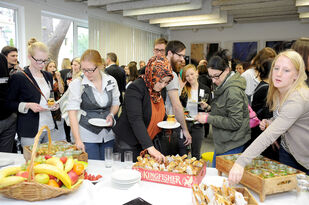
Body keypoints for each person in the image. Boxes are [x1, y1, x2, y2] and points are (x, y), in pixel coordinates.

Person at [229, 50, 309, 185]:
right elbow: (284, 118)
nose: (278, 74)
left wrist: (241, 162)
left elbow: (269, 136)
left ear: (296, 75)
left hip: (304, 156)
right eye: (276, 68)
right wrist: (271, 122)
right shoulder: (279, 90)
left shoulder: (298, 98)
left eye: (286, 70)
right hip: (287, 150)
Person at [113, 56, 173, 162]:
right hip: (129, 143)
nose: (163, 85)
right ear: (151, 75)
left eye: (166, 82)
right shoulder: (135, 88)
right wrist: (150, 148)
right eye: (161, 81)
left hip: (147, 140)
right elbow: (136, 119)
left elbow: (157, 111)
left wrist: (169, 121)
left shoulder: (159, 89)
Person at [195, 54, 250, 167]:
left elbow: (235, 122)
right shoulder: (223, 84)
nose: (214, 81)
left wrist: (208, 118)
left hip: (232, 143)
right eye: (211, 77)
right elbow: (225, 110)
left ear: (227, 70)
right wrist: (209, 108)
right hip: (224, 141)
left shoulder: (232, 91)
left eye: (216, 76)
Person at [67, 49, 120, 160]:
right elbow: (72, 113)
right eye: (84, 70)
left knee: (108, 167)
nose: (87, 74)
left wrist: (111, 114)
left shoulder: (111, 81)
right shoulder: (78, 84)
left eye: (91, 70)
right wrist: (77, 140)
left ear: (100, 66)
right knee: (92, 168)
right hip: (86, 134)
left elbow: (115, 103)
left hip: (108, 134)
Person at [7, 38, 60, 148]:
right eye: (39, 60)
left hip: (49, 126)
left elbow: (48, 97)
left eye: (45, 60)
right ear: (30, 57)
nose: (42, 64)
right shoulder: (19, 77)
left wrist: (54, 104)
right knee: (32, 161)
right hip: (29, 129)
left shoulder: (48, 76)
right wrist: (28, 105)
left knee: (48, 161)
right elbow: (8, 103)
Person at [163, 40, 192, 156]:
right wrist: (185, 129)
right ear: (170, 53)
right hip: (169, 125)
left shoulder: (159, 70)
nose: (182, 59)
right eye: (179, 55)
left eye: (184, 56)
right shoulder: (171, 74)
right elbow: (176, 105)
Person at [179, 64, 211, 159]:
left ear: (197, 73)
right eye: (187, 76)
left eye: (192, 74)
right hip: (184, 124)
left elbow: (210, 109)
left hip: (198, 125)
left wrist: (206, 106)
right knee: (183, 154)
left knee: (196, 155)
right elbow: (178, 106)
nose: (190, 77)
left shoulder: (205, 89)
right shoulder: (184, 89)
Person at [0, 53, 17, 152]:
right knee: (5, 157)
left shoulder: (2, 58)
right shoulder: (2, 58)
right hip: (8, 115)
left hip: (8, 116)